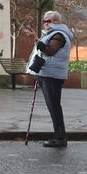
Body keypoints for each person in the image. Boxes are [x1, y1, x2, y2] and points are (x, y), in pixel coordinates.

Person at [26, 11, 73, 148]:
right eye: (44, 21)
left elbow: (49, 50)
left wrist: (35, 38)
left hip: (52, 75)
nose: (45, 23)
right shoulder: (52, 34)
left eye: (49, 21)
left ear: (56, 22)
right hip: (47, 73)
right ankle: (58, 135)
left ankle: (60, 136)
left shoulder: (59, 35)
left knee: (54, 106)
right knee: (53, 106)